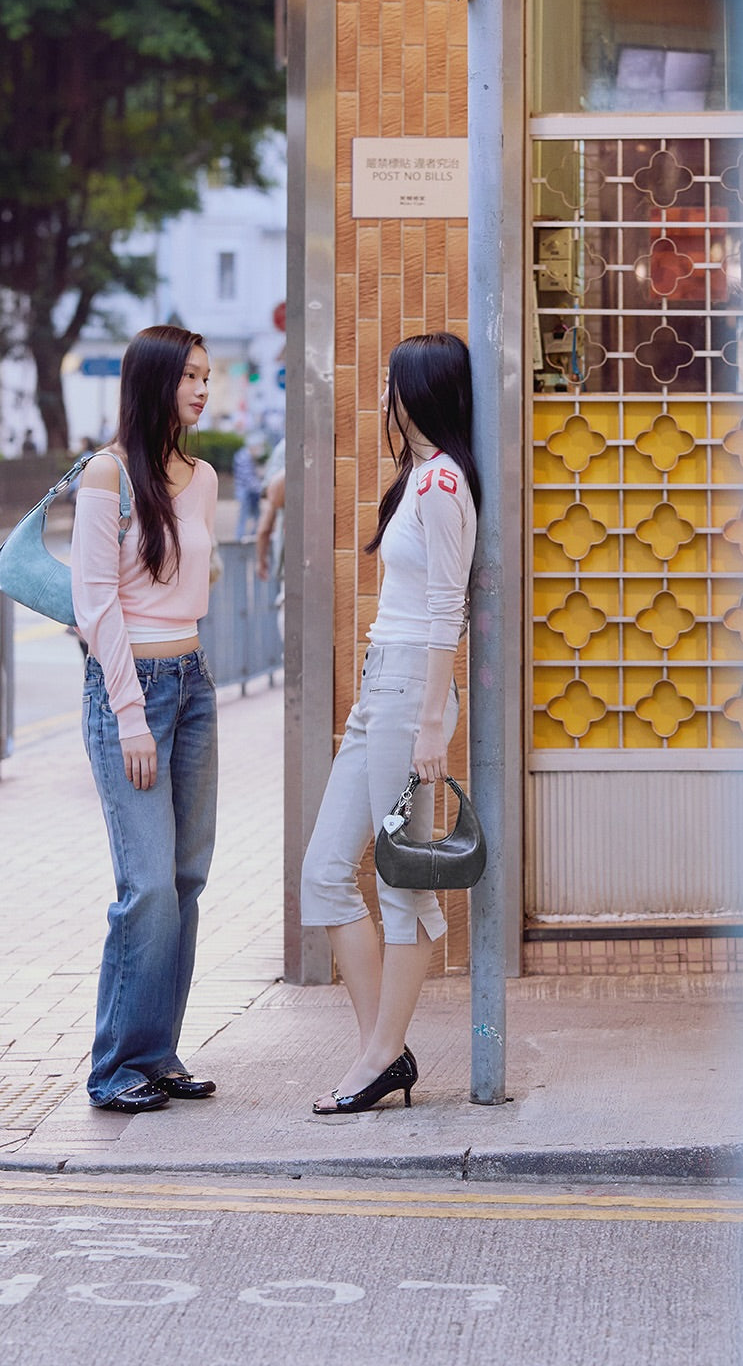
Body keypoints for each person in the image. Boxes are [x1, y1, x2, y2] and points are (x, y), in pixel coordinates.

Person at [300, 331, 481, 1115]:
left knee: (400, 881)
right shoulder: (416, 478)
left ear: (422, 392)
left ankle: (377, 1057)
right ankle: (384, 1050)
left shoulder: (443, 484)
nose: (383, 393)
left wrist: (433, 720)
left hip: (414, 691)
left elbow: (449, 606)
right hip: (383, 685)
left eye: (391, 382)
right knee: (324, 872)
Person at [71, 324, 220, 1113]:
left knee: (187, 878)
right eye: (189, 375)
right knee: (147, 888)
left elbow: (192, 585)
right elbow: (97, 604)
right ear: (154, 381)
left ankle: (156, 1052)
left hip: (193, 684)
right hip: (131, 691)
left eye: (206, 375)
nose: (201, 388)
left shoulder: (202, 479)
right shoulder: (108, 477)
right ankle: (113, 1067)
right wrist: (130, 713)